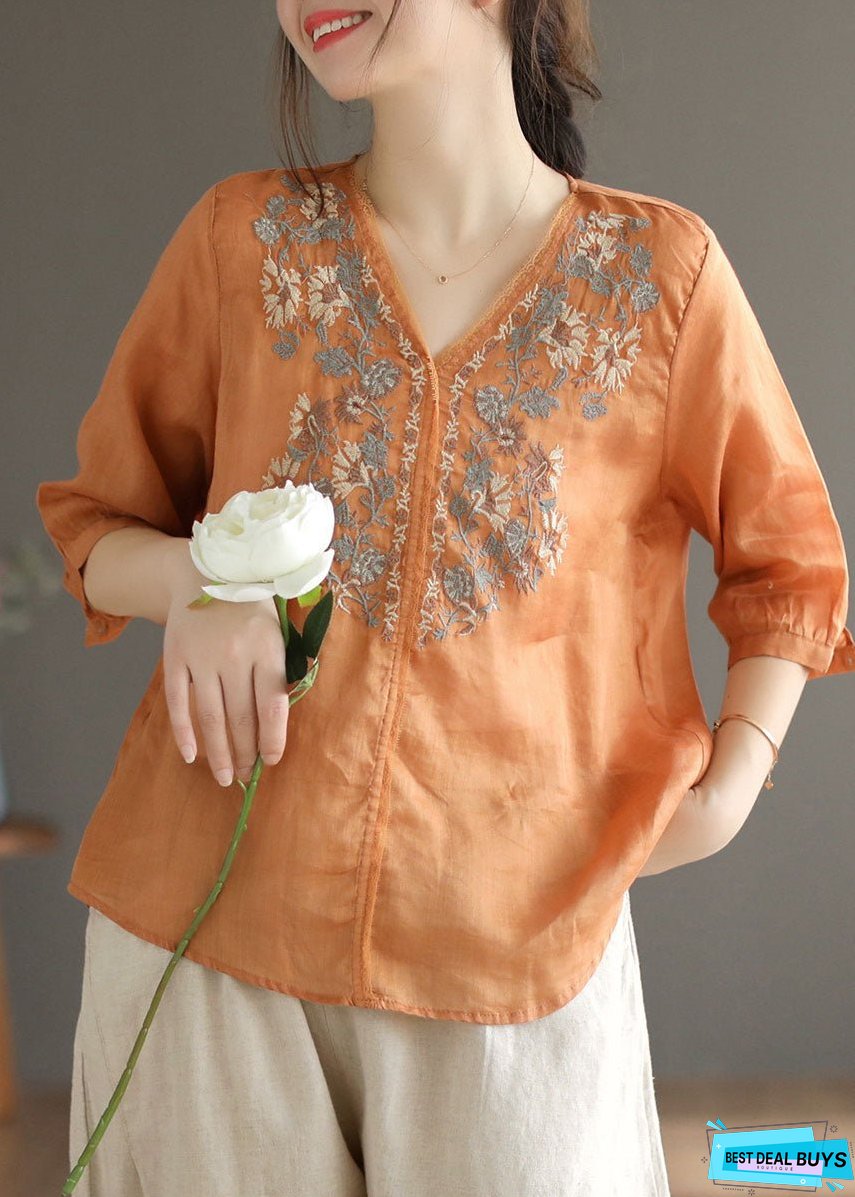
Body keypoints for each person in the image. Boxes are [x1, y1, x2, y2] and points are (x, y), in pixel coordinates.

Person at [35, 1, 855, 1194]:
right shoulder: (242, 241)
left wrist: (729, 791)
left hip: (516, 953)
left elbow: (790, 561)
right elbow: (96, 523)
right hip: (206, 930)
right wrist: (191, 584)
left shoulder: (658, 279)